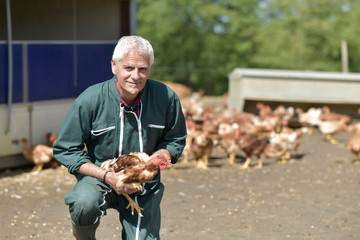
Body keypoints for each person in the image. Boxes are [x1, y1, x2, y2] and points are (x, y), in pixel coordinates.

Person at [53, 35, 187, 240]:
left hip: (142, 183)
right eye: (129, 68)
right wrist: (107, 176)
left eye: (143, 69)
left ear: (150, 68)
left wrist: (162, 154)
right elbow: (65, 149)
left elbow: (176, 138)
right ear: (114, 66)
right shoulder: (90, 99)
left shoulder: (166, 97)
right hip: (99, 177)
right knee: (84, 202)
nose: (136, 76)